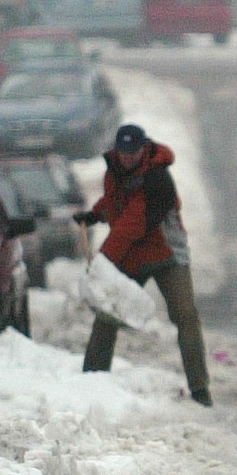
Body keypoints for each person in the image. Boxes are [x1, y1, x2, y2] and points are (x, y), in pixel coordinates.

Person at [73, 124, 212, 407]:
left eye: (132, 152)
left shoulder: (157, 178)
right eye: (123, 152)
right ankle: (92, 380)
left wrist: (104, 259)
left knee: (185, 316)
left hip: (167, 256)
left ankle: (200, 389)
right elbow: (115, 203)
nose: (127, 157)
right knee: (107, 315)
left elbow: (134, 222)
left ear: (143, 148)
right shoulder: (114, 170)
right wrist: (96, 214)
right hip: (133, 256)